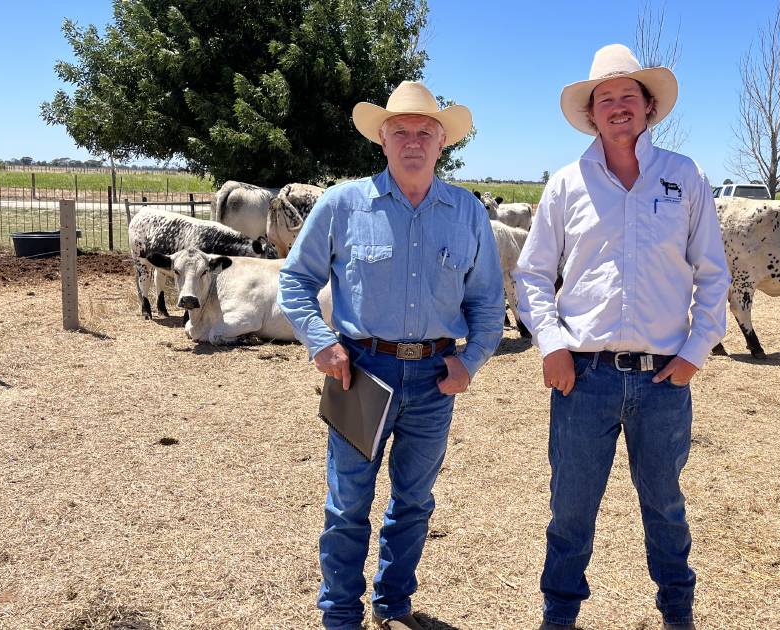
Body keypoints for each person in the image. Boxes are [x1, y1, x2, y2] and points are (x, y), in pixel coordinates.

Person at [513, 44, 730, 630]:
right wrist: (552, 345)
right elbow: (532, 274)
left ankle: (677, 614)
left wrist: (693, 354)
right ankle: (558, 618)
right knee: (571, 511)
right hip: (583, 378)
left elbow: (713, 273)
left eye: (627, 95)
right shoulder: (565, 185)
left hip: (664, 378)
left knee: (665, 507)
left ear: (649, 106)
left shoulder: (685, 177)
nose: (616, 106)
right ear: (590, 112)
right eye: (604, 98)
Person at [278, 81, 503, 630]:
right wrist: (322, 343)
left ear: (442, 142)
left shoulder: (467, 211)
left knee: (415, 502)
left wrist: (468, 363)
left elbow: (489, 303)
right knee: (348, 503)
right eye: (400, 129)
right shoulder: (342, 205)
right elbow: (295, 280)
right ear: (382, 138)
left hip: (433, 377)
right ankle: (339, 615)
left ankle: (394, 604)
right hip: (361, 371)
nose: (412, 140)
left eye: (425, 131)